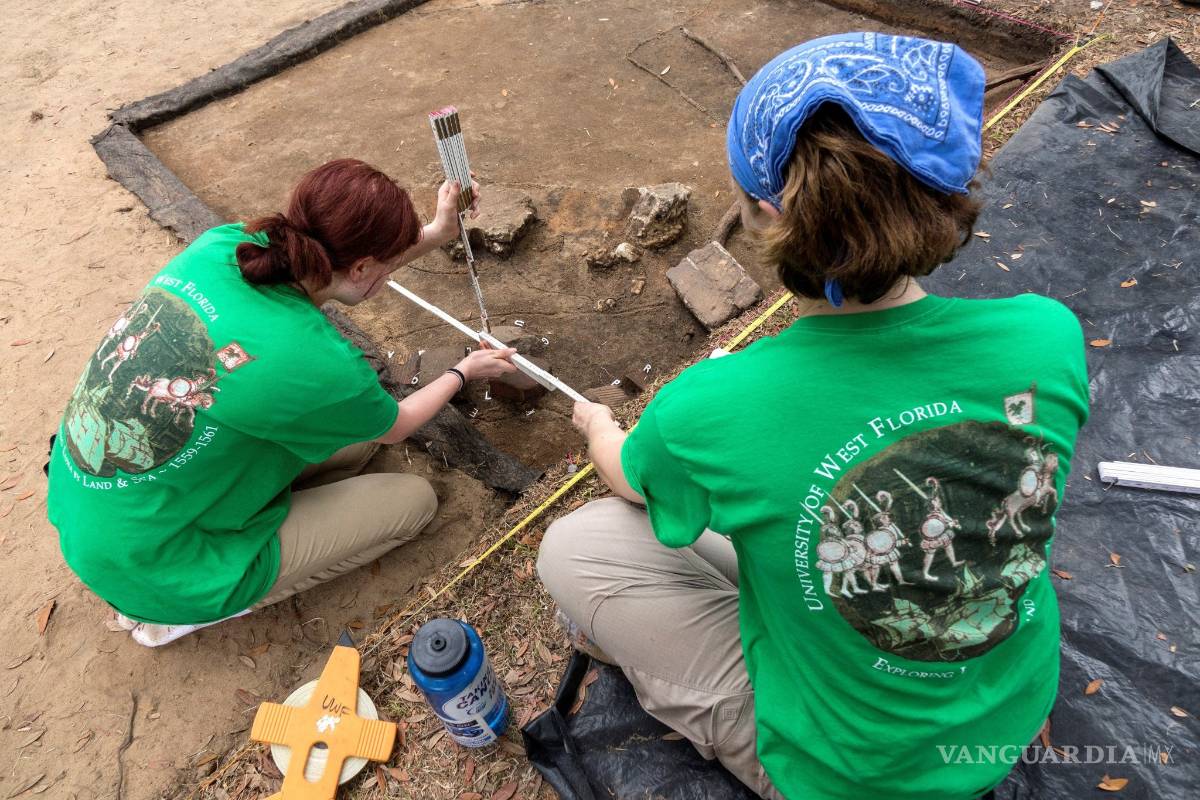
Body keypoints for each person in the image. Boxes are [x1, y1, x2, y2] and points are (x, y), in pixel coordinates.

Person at [538, 33, 1088, 800]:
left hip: (856, 777)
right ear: (941, 193)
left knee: (579, 544)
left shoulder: (710, 407)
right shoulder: (1048, 334)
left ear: (767, 215)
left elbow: (629, 480)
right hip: (1008, 707)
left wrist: (602, 427)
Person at [48, 159, 517, 647]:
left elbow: (352, 271)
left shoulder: (225, 245)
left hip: (98, 504)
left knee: (355, 448)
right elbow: (397, 426)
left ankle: (254, 509)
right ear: (361, 266)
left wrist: (439, 231)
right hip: (156, 562)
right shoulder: (318, 362)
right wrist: (464, 371)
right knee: (413, 501)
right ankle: (174, 613)